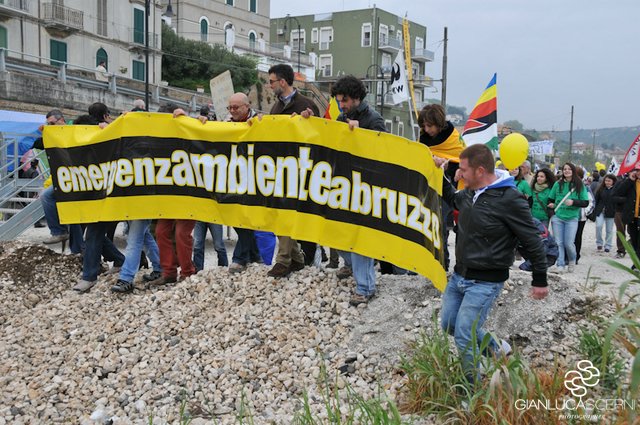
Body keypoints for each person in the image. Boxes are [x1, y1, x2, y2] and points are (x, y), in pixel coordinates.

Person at [436, 144, 548, 386]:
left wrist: (540, 278)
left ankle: (471, 388)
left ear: (480, 170)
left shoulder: (510, 199)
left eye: (463, 169)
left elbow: (532, 239)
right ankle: (498, 349)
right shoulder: (469, 192)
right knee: (449, 324)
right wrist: (439, 173)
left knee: (465, 333)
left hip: (486, 281)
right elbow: (452, 199)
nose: (459, 173)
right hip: (459, 277)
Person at [326, 75, 387, 305]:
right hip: (344, 186)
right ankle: (351, 266)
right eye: (339, 101)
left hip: (365, 189)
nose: (341, 105)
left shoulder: (375, 120)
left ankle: (365, 288)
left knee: (361, 239)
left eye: (344, 101)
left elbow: (383, 152)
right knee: (335, 231)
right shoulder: (342, 118)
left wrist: (362, 133)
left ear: (357, 98)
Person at [265, 64, 320, 278]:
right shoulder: (275, 109)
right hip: (280, 169)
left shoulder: (307, 105)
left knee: (288, 215)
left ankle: (284, 260)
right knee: (279, 215)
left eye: (271, 81)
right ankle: (296, 258)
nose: (269, 86)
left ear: (282, 82)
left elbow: (320, 135)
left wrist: (310, 121)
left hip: (300, 169)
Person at [148, 103, 197, 285]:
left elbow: (200, 133)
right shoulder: (159, 136)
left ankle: (187, 272)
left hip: (188, 195)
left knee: (182, 234)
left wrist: (186, 118)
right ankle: (168, 272)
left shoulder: (185, 129)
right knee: (161, 231)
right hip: (168, 196)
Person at [417, 104, 465, 272]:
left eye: (429, 125)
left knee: (441, 226)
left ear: (438, 123)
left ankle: (442, 264)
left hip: (449, 187)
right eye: (423, 125)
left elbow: (460, 163)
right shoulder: (423, 139)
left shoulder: (453, 138)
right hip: (428, 188)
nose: (426, 129)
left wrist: (445, 166)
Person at [225, 93, 264, 273]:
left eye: (236, 108)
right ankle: (255, 255)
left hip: (254, 178)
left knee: (246, 218)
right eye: (230, 108)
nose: (232, 111)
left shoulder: (260, 122)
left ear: (247, 107)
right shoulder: (225, 124)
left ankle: (239, 258)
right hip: (233, 178)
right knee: (234, 216)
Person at [546, 162, 589, 273]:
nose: (566, 171)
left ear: (573, 171)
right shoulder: (558, 184)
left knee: (569, 243)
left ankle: (571, 260)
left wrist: (573, 202)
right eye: (564, 169)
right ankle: (560, 264)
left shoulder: (579, 185)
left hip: (572, 218)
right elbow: (550, 200)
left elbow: (585, 202)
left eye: (569, 169)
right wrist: (552, 211)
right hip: (558, 217)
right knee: (558, 242)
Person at [613, 166, 640, 263]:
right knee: (634, 241)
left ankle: (637, 264)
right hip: (631, 216)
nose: (638, 172)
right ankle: (635, 262)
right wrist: (629, 181)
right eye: (637, 170)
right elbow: (616, 194)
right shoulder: (629, 182)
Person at [594, 173, 617, 253]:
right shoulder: (600, 189)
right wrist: (595, 210)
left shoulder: (616, 190)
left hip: (611, 212)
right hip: (600, 211)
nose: (607, 182)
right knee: (598, 226)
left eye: (609, 181)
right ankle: (599, 243)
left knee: (609, 230)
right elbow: (596, 200)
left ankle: (608, 245)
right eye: (606, 181)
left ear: (613, 182)